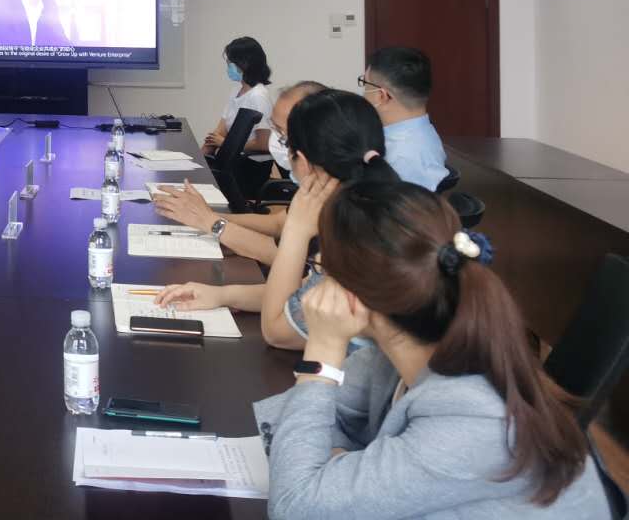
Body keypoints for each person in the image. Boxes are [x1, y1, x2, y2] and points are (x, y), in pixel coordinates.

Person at [253, 180, 612, 519]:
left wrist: (323, 350)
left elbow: (294, 505)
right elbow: (286, 422)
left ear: (351, 291)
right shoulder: (394, 356)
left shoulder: (474, 419)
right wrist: (335, 468)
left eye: (321, 269)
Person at [156, 89, 399, 350]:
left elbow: (277, 331)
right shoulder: (375, 208)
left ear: (303, 162)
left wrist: (296, 230)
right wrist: (222, 294)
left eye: (284, 138)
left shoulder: (352, 236)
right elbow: (303, 293)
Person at [154, 81, 326, 266]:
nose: (275, 139)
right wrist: (205, 215)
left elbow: (286, 258)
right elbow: (278, 224)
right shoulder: (312, 185)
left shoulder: (337, 196)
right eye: (274, 129)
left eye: (281, 133)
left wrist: (212, 223)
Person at [360, 46, 451, 191]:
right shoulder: (419, 132)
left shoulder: (402, 158)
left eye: (365, 84)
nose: (363, 93)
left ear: (382, 96)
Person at [201, 36, 273, 157]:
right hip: (228, 157)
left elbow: (264, 144)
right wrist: (199, 159)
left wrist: (226, 143)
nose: (228, 67)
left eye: (230, 64)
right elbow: (219, 132)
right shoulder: (236, 91)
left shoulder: (259, 96)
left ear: (245, 64)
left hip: (247, 163)